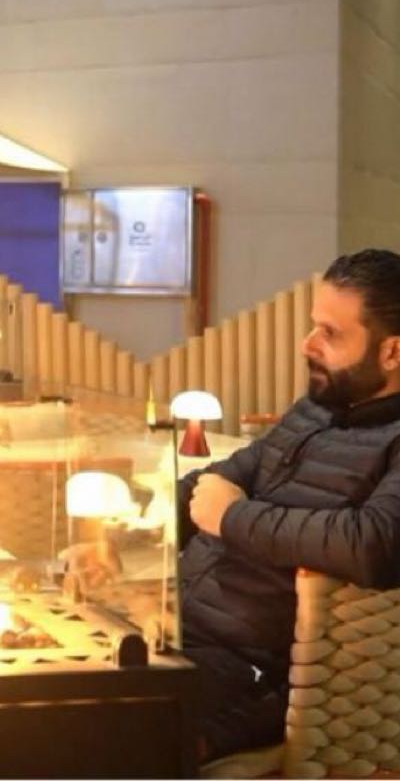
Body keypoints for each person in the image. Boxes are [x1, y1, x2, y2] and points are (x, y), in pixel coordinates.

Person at [172, 248, 400, 761]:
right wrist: (131, 530)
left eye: (330, 333)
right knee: (31, 696)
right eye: (313, 325)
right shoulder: (315, 409)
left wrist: (233, 519)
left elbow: (375, 542)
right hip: (175, 629)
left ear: (392, 352)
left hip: (250, 672)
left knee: (102, 732)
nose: (307, 344)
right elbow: (227, 475)